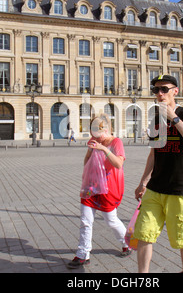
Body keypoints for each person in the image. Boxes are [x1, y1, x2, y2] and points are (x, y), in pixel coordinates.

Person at [134, 75, 183, 273]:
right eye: (155, 90)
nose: (159, 94)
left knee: (182, 237)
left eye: (164, 89)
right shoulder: (156, 119)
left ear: (176, 91)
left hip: (179, 189)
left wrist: (174, 118)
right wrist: (143, 182)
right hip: (155, 189)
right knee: (144, 234)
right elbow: (154, 153)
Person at [68, 114, 131, 269]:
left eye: (98, 131)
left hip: (109, 188)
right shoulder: (93, 141)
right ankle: (83, 254)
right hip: (91, 186)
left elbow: (118, 164)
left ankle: (127, 243)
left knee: (111, 220)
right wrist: (90, 150)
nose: (95, 135)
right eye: (93, 131)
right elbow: (86, 163)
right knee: (85, 221)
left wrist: (103, 149)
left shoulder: (116, 142)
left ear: (107, 129)